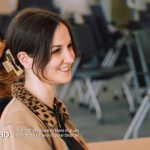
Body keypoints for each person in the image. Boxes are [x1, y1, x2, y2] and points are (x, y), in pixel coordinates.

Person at [0, 8, 88, 150]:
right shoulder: (18, 123)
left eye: (69, 46)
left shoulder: (54, 110)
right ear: (25, 59)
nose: (71, 57)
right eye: (56, 50)